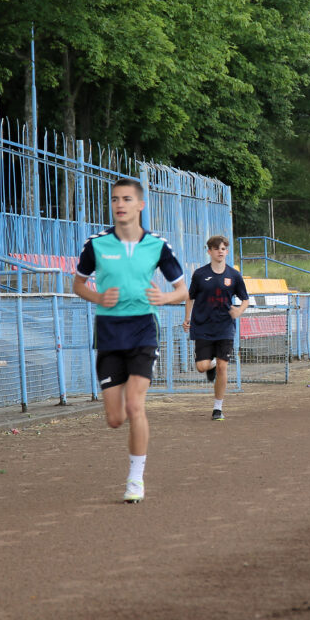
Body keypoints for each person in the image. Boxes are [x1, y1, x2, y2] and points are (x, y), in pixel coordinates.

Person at [73, 177, 188, 504]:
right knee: (115, 419)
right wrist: (97, 297)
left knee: (136, 405)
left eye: (126, 199)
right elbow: (78, 285)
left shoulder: (157, 245)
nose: (119, 205)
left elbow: (182, 288)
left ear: (140, 205)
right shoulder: (96, 244)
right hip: (109, 333)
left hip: (142, 330)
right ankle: (130, 449)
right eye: (114, 199)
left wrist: (165, 298)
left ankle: (135, 479)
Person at [183, 236, 249, 421]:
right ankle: (210, 363)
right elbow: (190, 297)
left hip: (225, 327)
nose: (220, 251)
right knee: (202, 367)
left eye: (223, 248)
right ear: (209, 251)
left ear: (227, 251)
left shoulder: (234, 275)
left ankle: (217, 408)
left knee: (223, 366)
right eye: (216, 248)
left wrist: (239, 311)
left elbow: (245, 300)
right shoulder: (199, 274)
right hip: (203, 325)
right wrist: (187, 318)